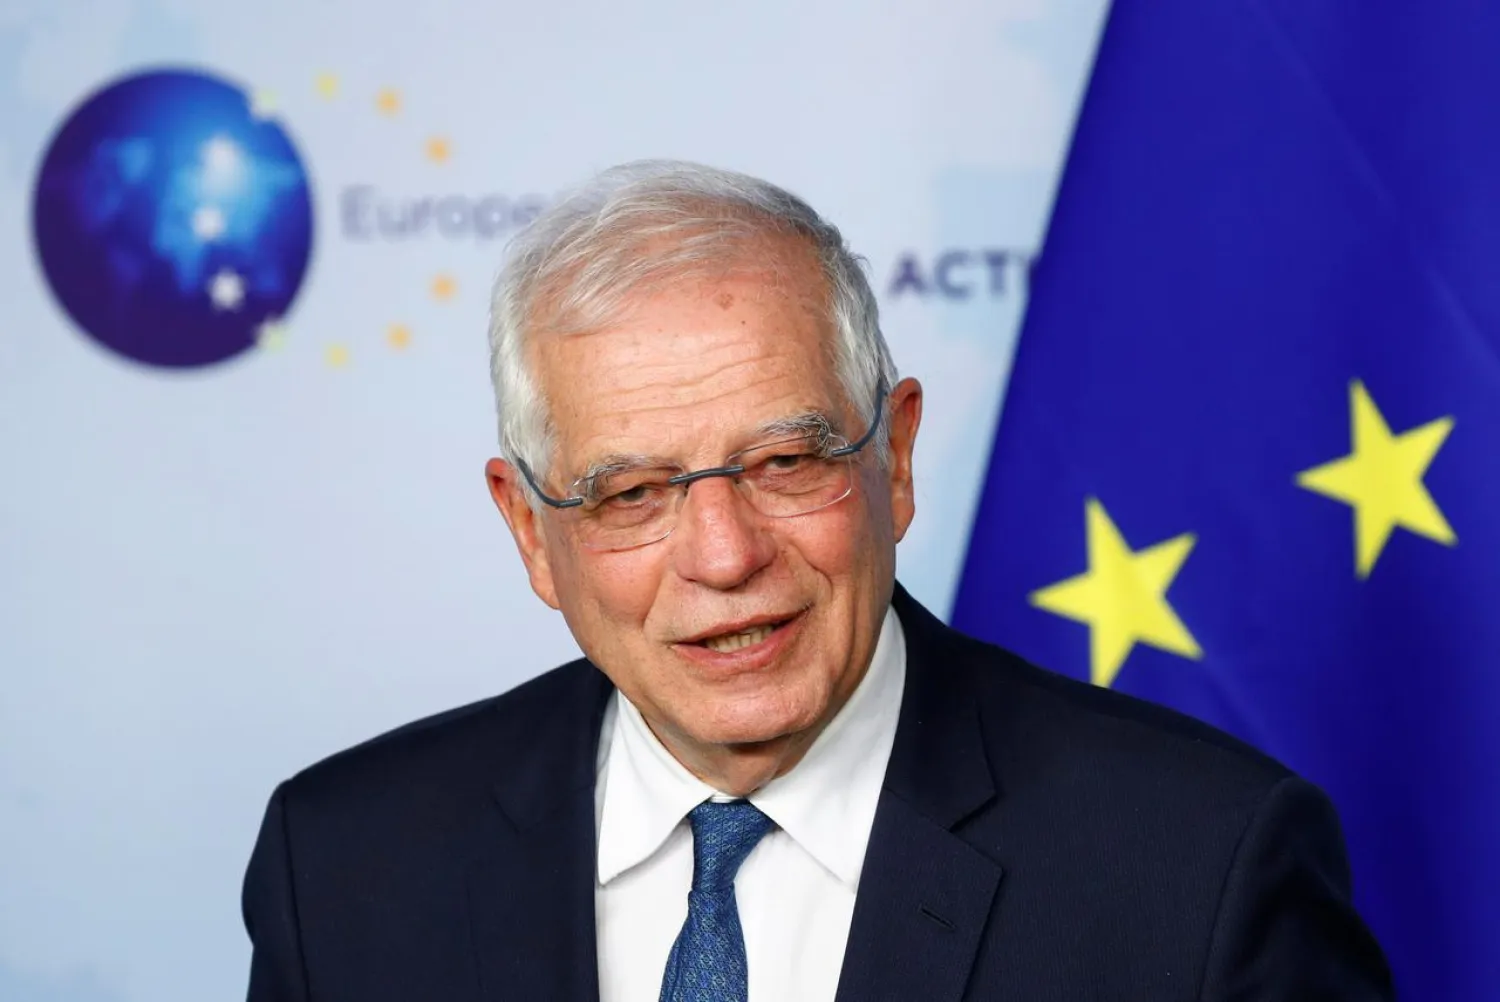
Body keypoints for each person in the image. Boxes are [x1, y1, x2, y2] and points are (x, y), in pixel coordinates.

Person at [242, 160, 1394, 1001]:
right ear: (531, 531)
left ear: (893, 459)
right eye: (630, 493)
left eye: (786, 463)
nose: (725, 555)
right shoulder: (344, 865)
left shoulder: (1202, 871)